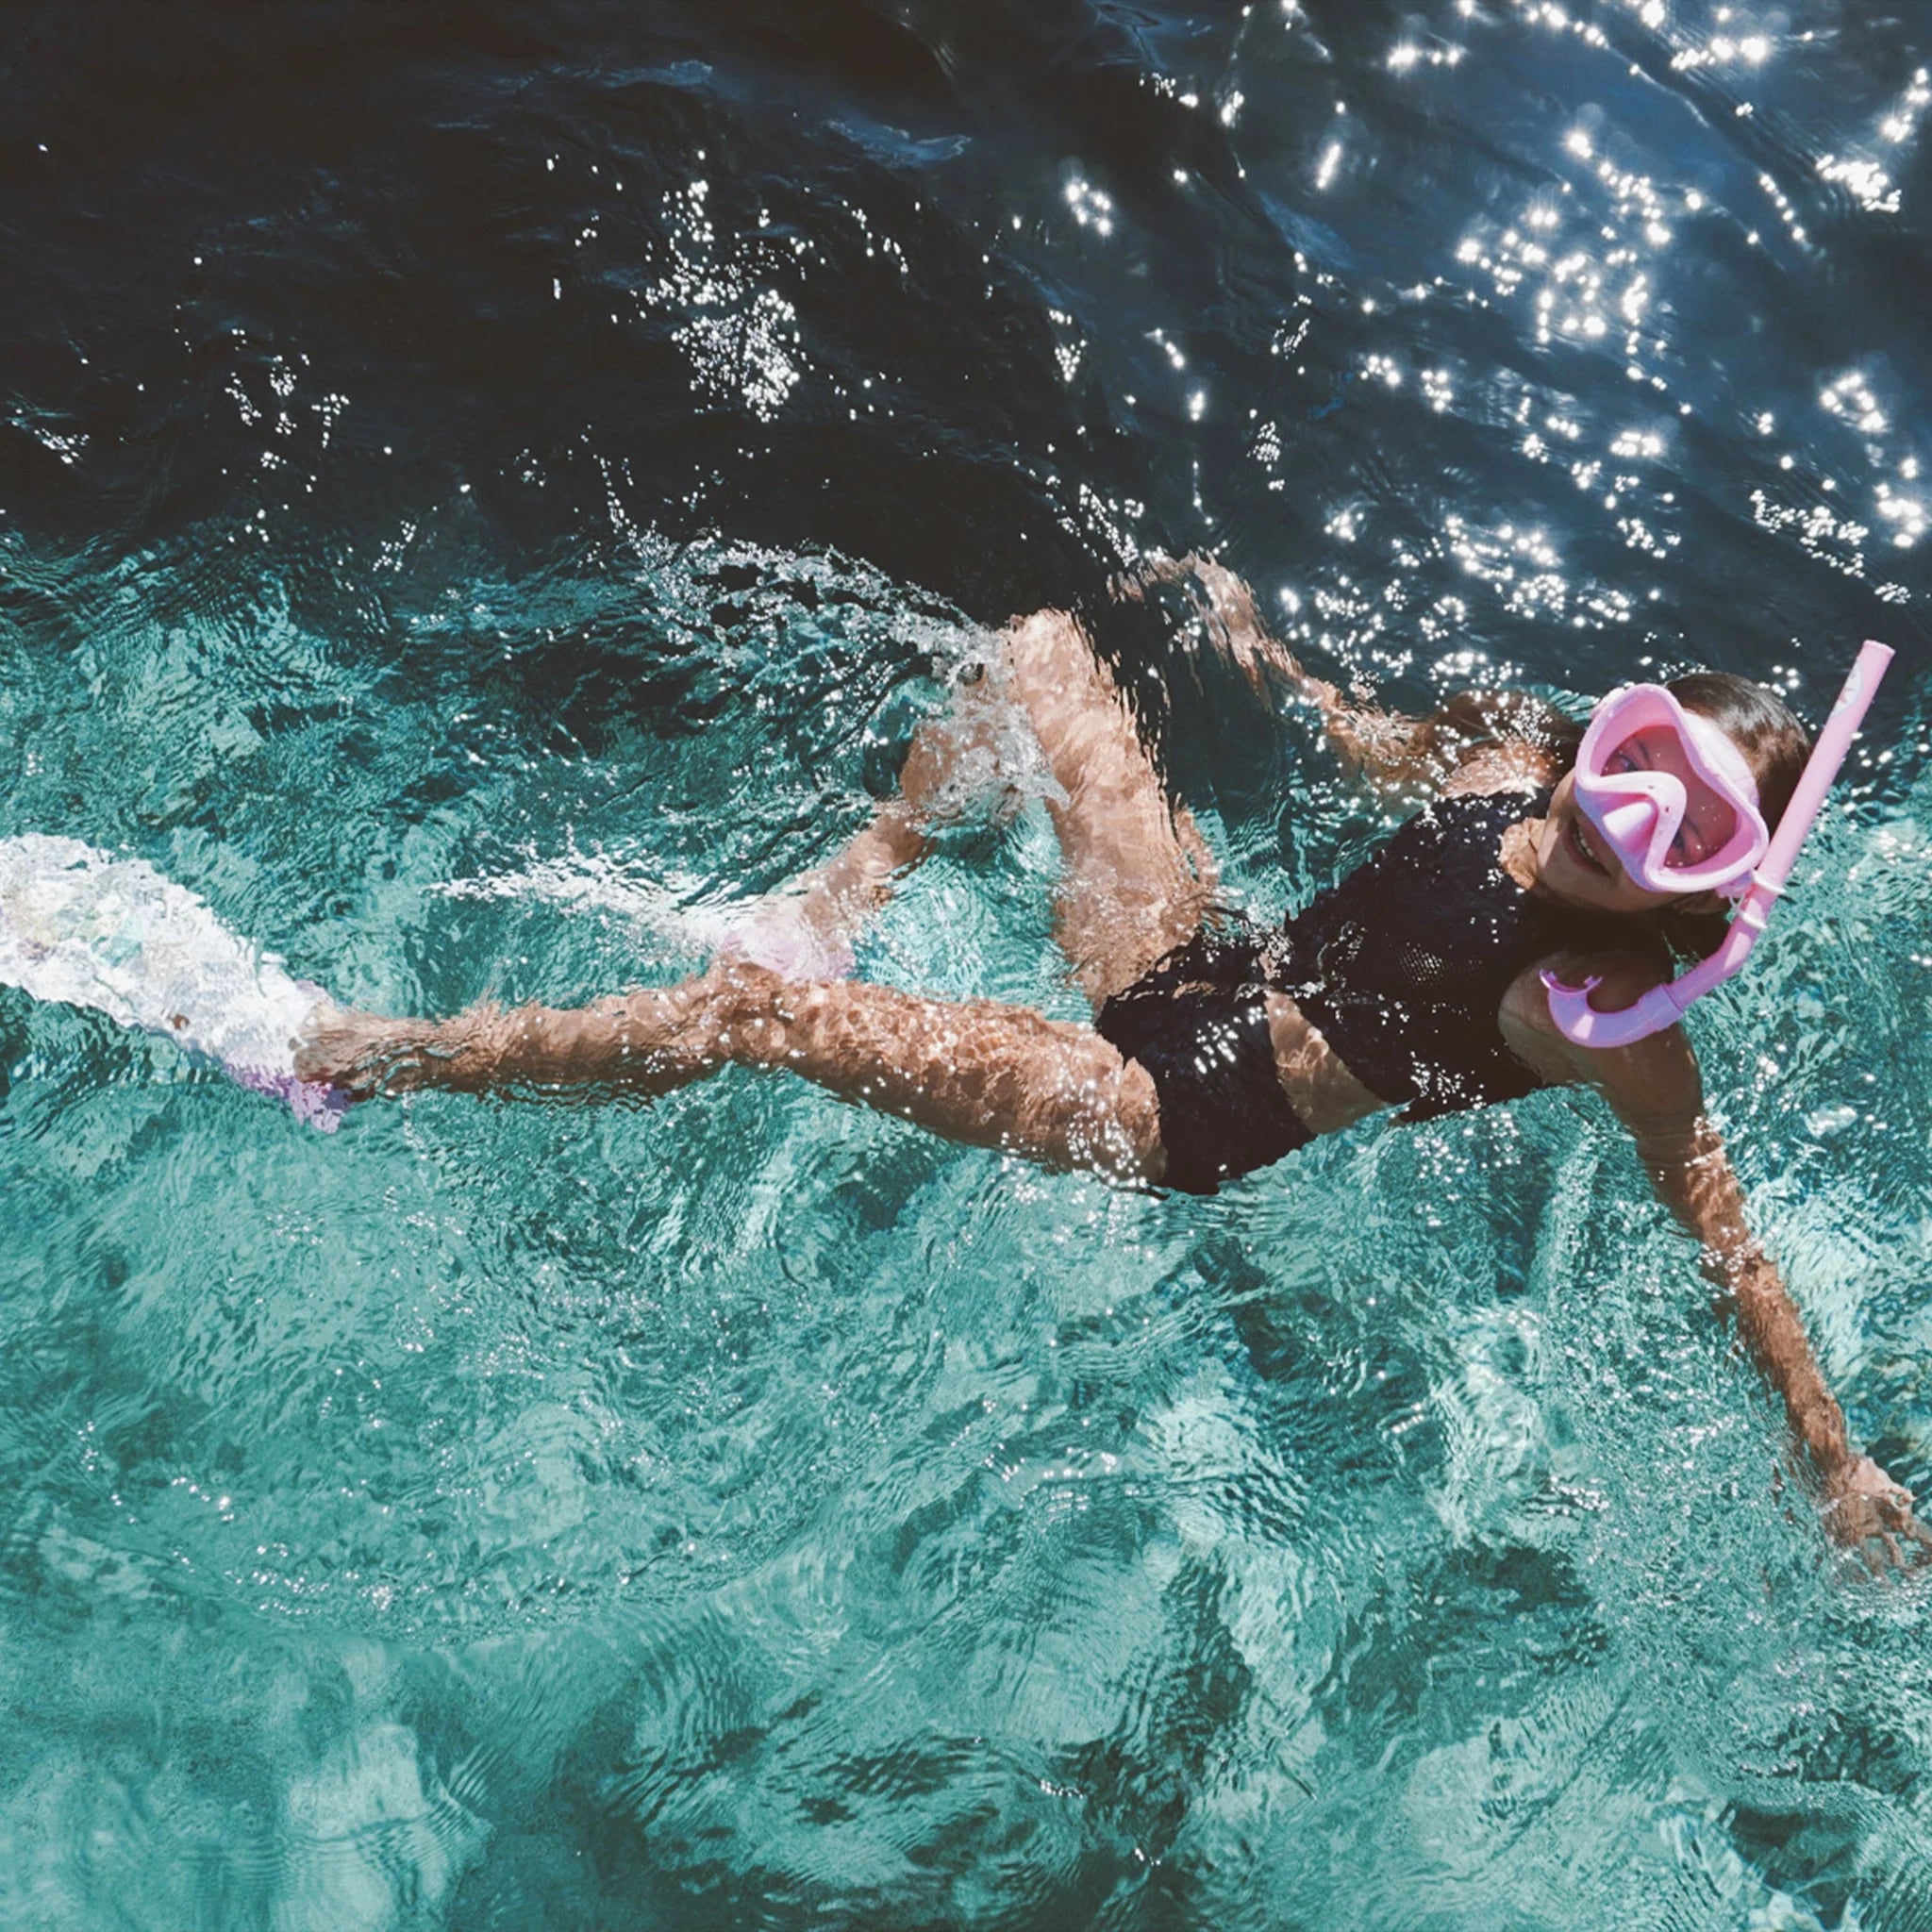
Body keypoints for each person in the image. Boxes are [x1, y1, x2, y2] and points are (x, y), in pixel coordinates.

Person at [295, 557, 1928, 1567]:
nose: (1621, 821)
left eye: (1687, 830)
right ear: (1609, 726)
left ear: (1713, 892)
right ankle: (857, 881)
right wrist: (1261, 650)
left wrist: (1828, 1451)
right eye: (1640, 764)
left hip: (1168, 1110)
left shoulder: (1592, 997)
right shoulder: (1516, 763)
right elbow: (1370, 742)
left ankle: (388, 1059)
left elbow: (1714, 1216)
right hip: (1189, 971)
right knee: (1044, 655)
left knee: (750, 1019)